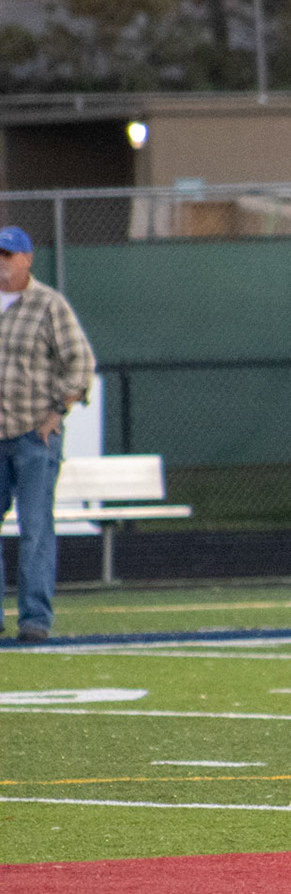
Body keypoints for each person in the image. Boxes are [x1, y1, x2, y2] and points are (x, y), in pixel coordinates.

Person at [0, 226, 96, 643]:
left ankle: (35, 620)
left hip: (31, 434)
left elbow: (80, 361)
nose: (1, 262)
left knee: (35, 528)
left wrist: (57, 411)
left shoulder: (48, 304)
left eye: (8, 255)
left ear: (27, 259)